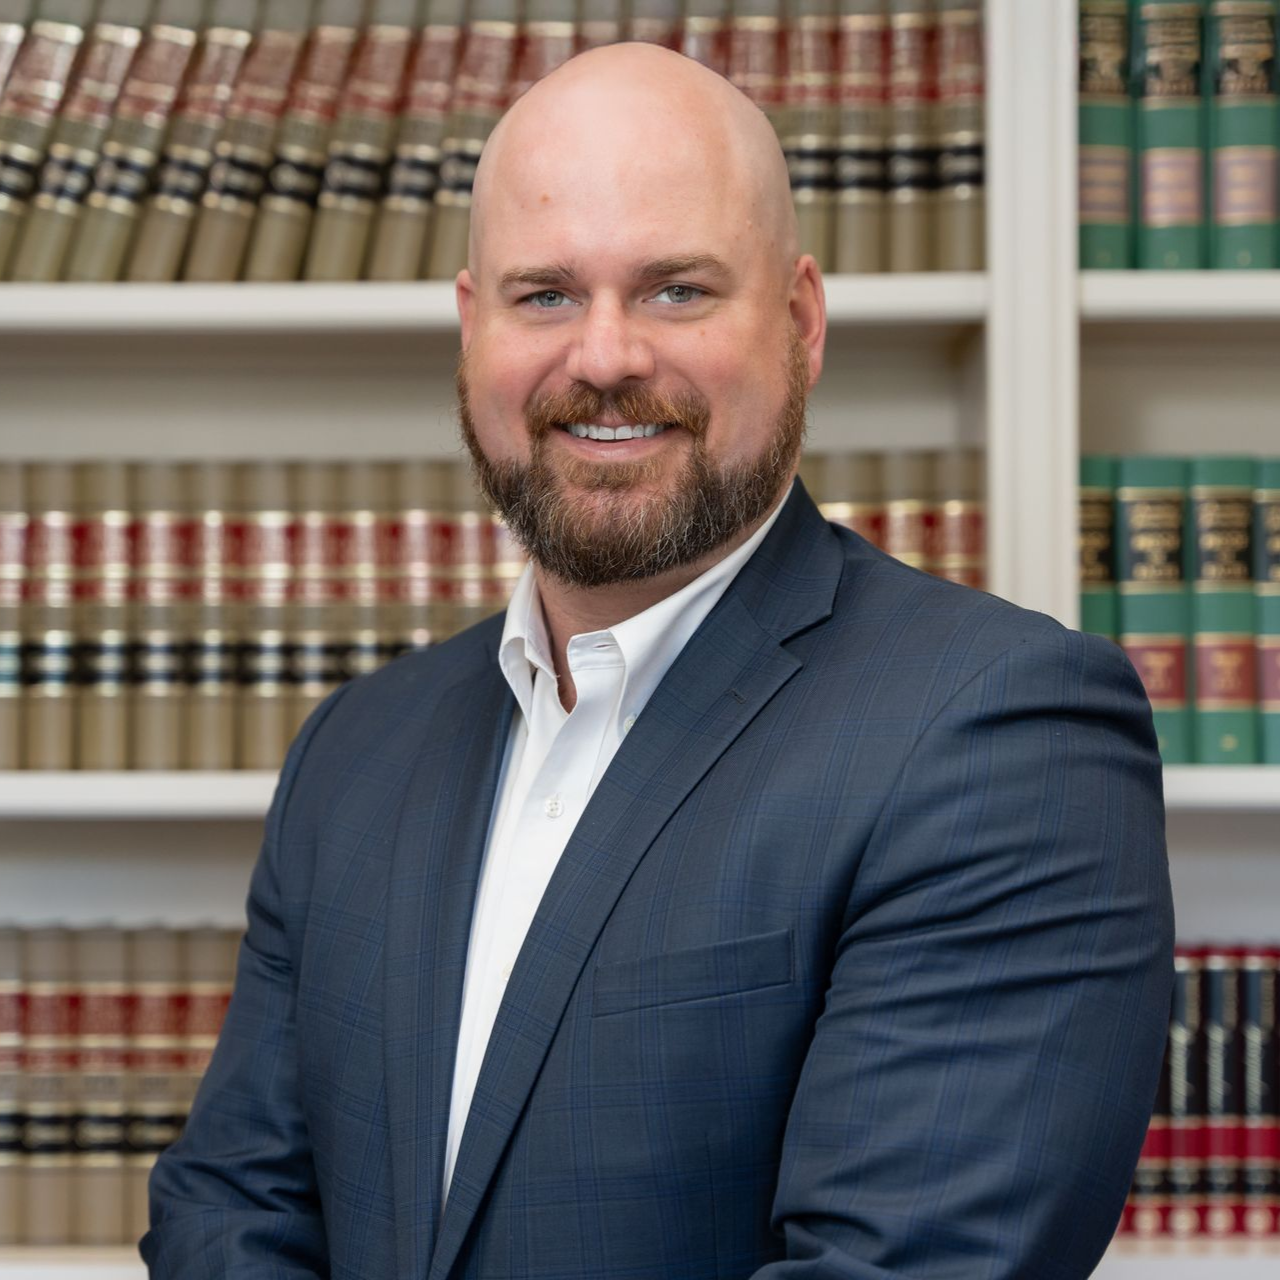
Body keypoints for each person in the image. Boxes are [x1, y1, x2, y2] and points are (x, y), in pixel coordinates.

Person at [141, 42, 1175, 1280]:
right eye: (545, 296)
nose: (606, 356)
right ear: (471, 332)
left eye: (676, 289)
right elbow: (225, 1212)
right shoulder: (356, 749)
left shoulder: (1001, 733)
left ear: (797, 321)